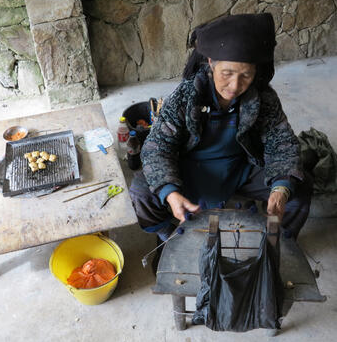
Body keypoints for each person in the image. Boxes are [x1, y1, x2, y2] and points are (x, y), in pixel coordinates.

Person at [129, 13, 312, 242]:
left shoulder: (263, 98)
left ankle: (278, 243)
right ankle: (169, 238)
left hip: (241, 169)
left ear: (255, 71)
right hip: (191, 171)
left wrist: (281, 188)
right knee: (141, 191)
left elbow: (282, 143)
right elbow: (157, 148)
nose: (235, 86)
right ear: (211, 64)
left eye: (246, 75)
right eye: (227, 74)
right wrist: (170, 192)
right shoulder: (186, 96)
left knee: (299, 186)